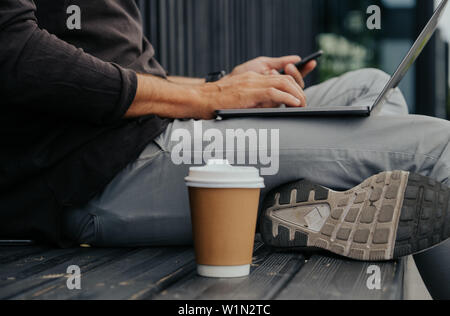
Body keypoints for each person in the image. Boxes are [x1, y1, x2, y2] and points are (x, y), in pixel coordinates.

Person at [1, 0, 449, 295]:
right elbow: (12, 50)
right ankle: (317, 209)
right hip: (101, 167)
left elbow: (124, 74)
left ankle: (321, 210)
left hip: (152, 127)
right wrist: (208, 100)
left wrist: (222, 84)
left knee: (372, 89)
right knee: (438, 149)